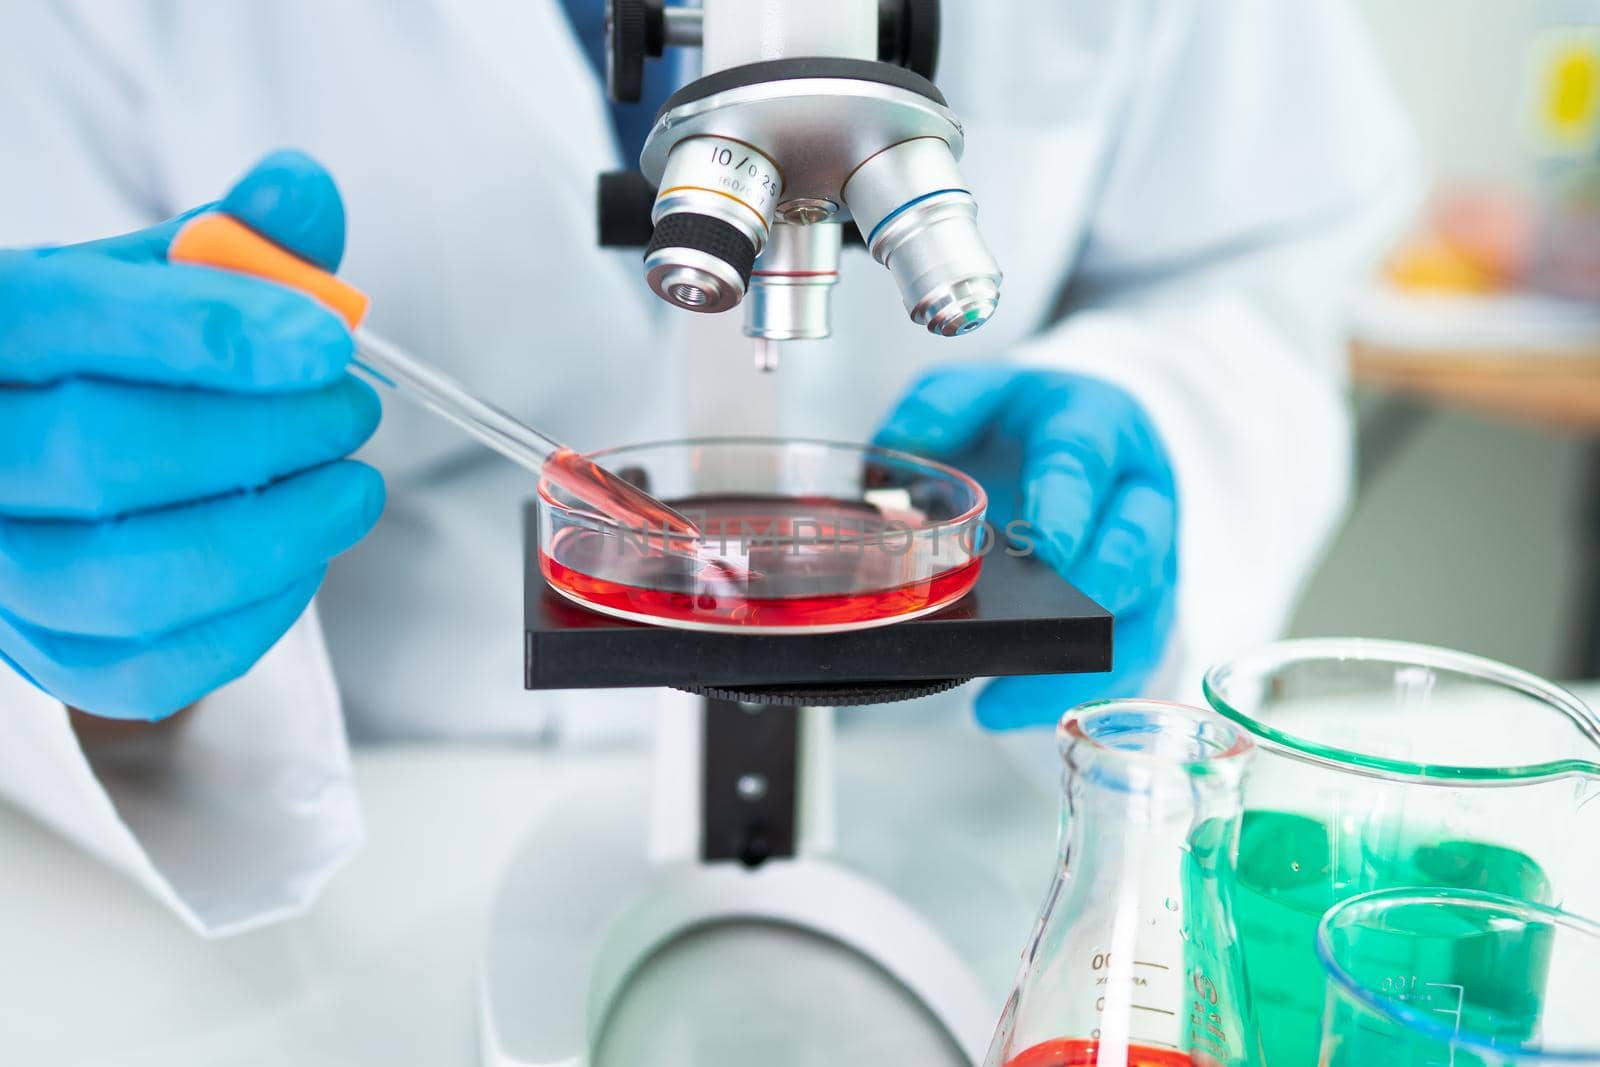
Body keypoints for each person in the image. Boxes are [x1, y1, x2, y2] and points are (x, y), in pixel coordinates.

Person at [0, 0, 1417, 934]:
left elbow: (1270, 265)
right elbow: (52, 389)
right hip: (368, 851)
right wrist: (91, 620)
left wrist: (1160, 418)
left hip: (965, 812)